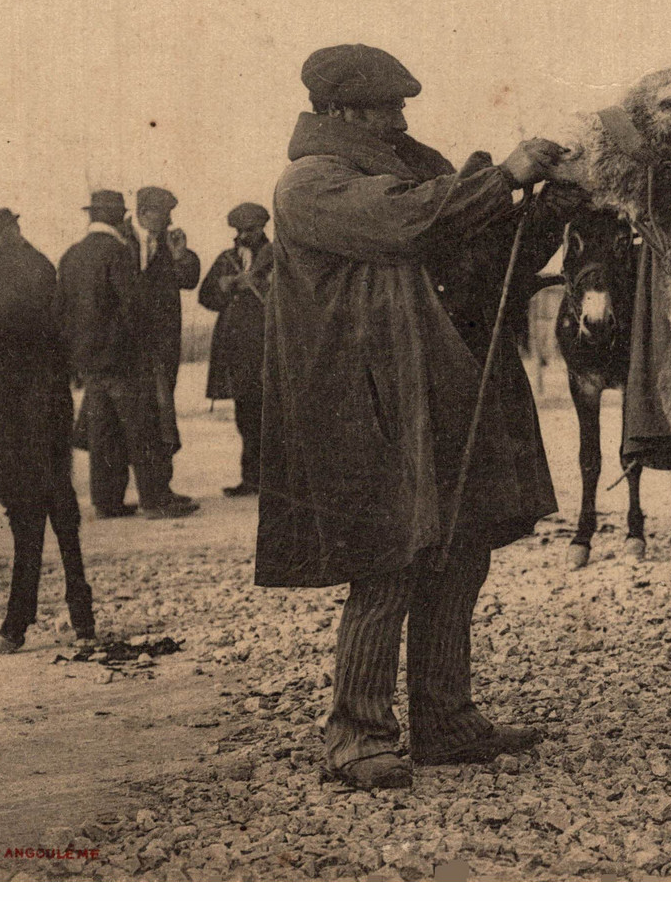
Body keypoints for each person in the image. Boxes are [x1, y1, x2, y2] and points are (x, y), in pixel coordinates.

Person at [257, 43, 565, 789]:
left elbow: (484, 258)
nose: (400, 118)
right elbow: (410, 226)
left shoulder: (408, 173)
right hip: (366, 404)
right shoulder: (311, 183)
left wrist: (555, 202)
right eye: (388, 107)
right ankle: (355, 735)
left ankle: (446, 720)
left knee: (460, 553)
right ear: (340, 111)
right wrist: (502, 178)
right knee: (387, 561)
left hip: (439, 390)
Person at [0, 208, 95, 653]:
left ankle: (20, 619)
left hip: (16, 399)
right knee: (59, 501)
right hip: (47, 393)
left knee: (29, 511)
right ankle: (80, 610)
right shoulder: (42, 264)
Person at [56, 190, 199, 520]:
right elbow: (131, 306)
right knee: (143, 425)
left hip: (91, 361)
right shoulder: (117, 251)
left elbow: (60, 309)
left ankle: (107, 501)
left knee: (103, 430)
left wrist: (76, 354)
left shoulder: (71, 254)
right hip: (126, 357)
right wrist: (141, 348)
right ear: (123, 216)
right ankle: (154, 499)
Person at [197, 203, 273, 497]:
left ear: (262, 228)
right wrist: (224, 287)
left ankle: (276, 482)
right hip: (238, 352)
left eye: (250, 230)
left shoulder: (278, 257)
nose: (243, 236)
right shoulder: (227, 260)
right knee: (247, 416)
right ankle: (251, 479)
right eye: (239, 231)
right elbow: (206, 297)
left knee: (272, 415)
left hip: (268, 347)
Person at [132, 186, 201, 498]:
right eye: (165, 211)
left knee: (160, 416)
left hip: (162, 347)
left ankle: (160, 487)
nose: (171, 218)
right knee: (149, 418)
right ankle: (153, 492)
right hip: (136, 347)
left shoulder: (168, 243)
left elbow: (189, 279)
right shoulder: (125, 243)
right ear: (144, 212)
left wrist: (180, 256)